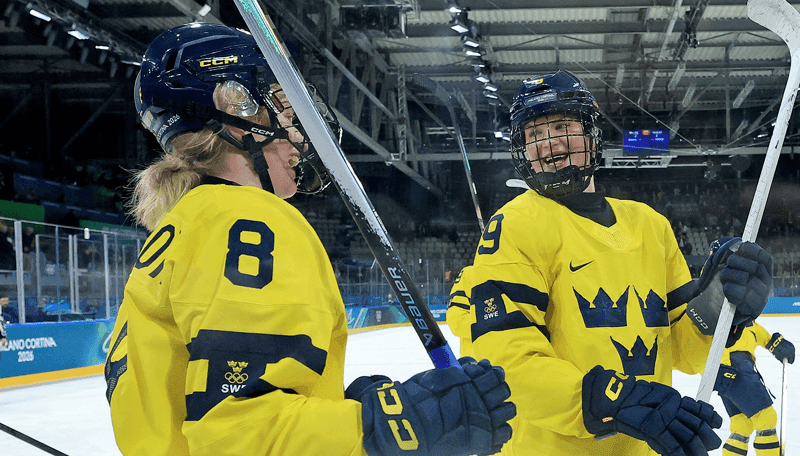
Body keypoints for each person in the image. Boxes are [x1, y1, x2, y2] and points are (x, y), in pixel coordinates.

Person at [105, 23, 515, 456]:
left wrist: (342, 408)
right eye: (281, 106)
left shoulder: (187, 223)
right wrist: (392, 427)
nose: (297, 129)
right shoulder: (246, 220)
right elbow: (240, 435)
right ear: (238, 107)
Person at [446, 70, 774, 456]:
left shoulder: (651, 225)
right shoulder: (516, 225)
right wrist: (615, 401)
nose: (547, 142)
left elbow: (684, 350)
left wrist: (721, 308)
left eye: (560, 126)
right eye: (533, 134)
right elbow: (505, 364)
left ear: (590, 134)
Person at [714, 321, 795, 456]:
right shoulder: (725, 309)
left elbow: (753, 329)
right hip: (735, 366)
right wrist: (723, 366)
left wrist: (774, 343)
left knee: (742, 424)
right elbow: (715, 336)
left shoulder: (745, 315)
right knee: (765, 417)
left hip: (729, 368)